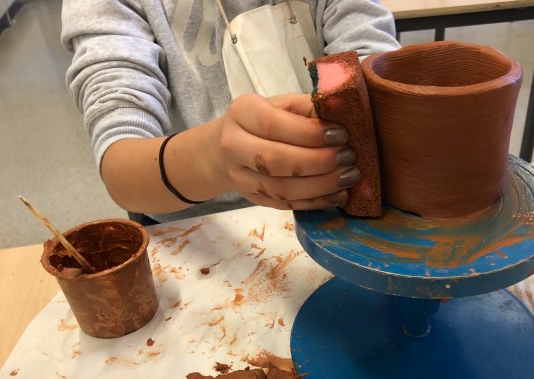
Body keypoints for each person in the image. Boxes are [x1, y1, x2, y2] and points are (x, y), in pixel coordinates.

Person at [61, 0, 401, 224]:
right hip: (196, 229)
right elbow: (122, 169)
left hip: (335, 209)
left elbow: (376, 71)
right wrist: (213, 160)